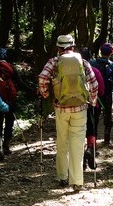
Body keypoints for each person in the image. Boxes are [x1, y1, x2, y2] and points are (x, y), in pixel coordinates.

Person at [38, 34, 99, 192]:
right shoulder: (83, 62)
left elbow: (43, 78)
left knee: (62, 142)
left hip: (61, 108)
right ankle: (77, 181)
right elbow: (94, 83)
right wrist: (92, 101)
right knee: (78, 144)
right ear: (73, 46)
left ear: (58, 48)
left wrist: (45, 94)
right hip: (80, 108)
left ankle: (62, 177)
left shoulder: (54, 62)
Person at [0, 47, 19, 161]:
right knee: (9, 122)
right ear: (5, 56)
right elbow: (19, 82)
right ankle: (6, 146)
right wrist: (32, 90)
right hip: (10, 99)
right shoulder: (11, 68)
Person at [80, 47, 104, 169]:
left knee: (79, 132)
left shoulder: (73, 71)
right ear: (90, 58)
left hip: (78, 105)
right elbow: (101, 90)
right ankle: (90, 150)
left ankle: (81, 161)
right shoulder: (95, 70)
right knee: (92, 129)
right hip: (93, 105)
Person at [94, 42, 113, 145]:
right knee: (108, 116)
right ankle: (107, 140)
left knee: (94, 117)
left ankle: (93, 140)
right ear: (111, 53)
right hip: (107, 95)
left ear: (101, 51)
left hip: (94, 95)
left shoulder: (92, 63)